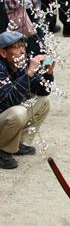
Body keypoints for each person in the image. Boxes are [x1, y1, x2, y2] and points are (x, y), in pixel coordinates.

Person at [0, 30, 54, 169]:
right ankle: (2, 150)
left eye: (22, 46)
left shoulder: (18, 65)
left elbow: (43, 91)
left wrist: (48, 72)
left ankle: (16, 144)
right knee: (18, 112)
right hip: (4, 114)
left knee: (43, 102)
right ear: (3, 53)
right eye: (16, 47)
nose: (22, 51)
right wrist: (29, 73)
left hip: (5, 116)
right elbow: (9, 99)